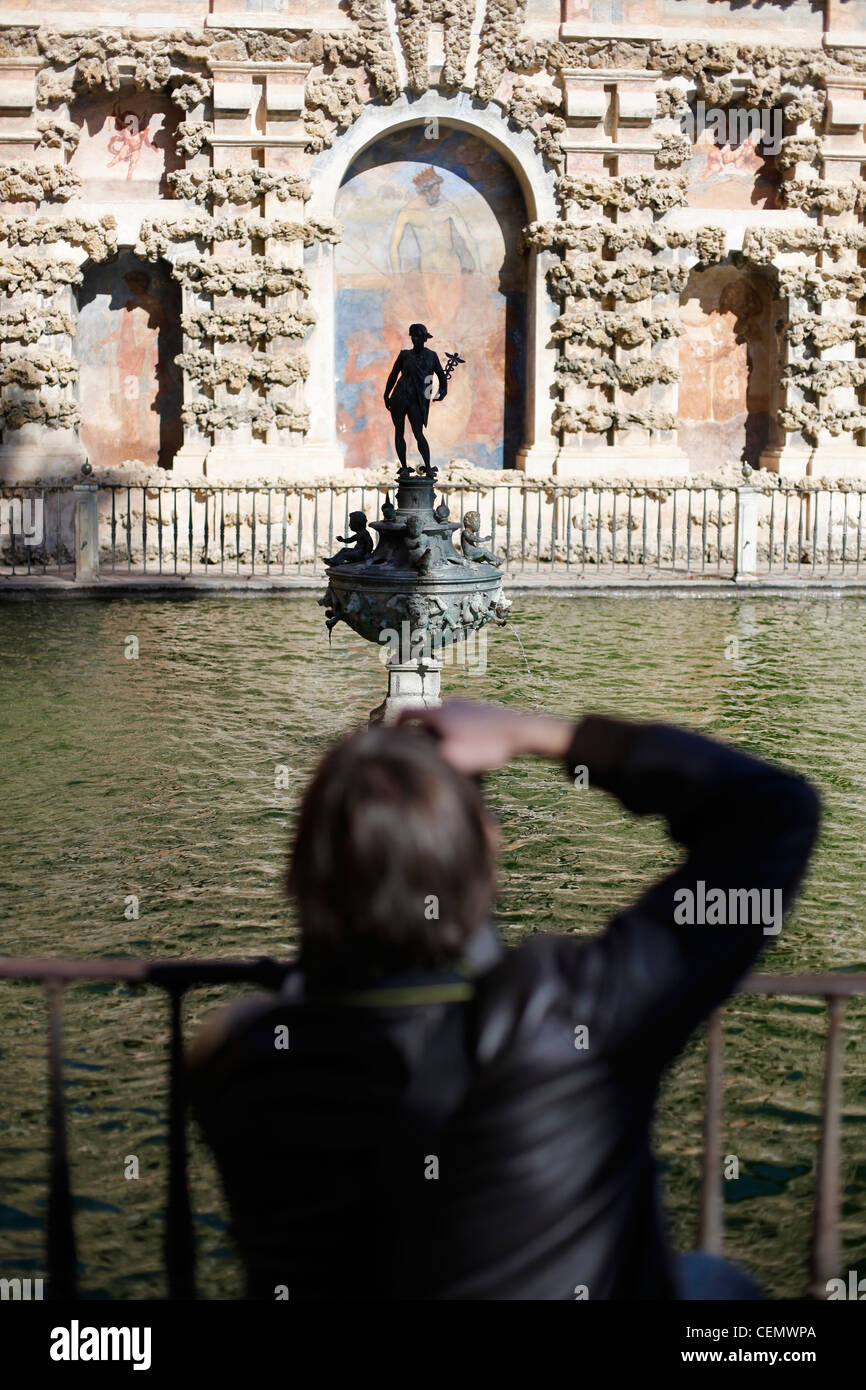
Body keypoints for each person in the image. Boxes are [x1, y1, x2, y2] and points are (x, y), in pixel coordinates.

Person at [188, 699, 820, 1300]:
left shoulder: (240, 1058)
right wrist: (536, 735)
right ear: (488, 856)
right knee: (716, 1284)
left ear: (302, 872)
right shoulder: (572, 1013)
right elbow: (774, 810)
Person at [383, 323, 447, 478]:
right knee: (399, 432)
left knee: (418, 433)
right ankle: (404, 467)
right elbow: (393, 375)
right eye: (414, 336)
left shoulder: (432, 355)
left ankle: (428, 467)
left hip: (417, 399)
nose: (416, 339)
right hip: (399, 396)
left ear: (425, 339)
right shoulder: (404, 355)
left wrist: (442, 390)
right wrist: (386, 393)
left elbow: (441, 375)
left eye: (419, 336)